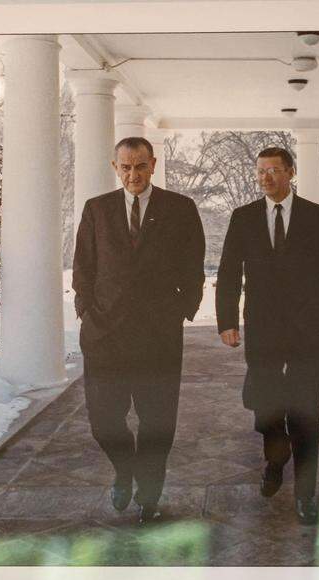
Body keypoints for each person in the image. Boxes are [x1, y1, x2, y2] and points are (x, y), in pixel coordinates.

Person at [72, 136, 206, 520]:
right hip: (105, 335)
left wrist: (181, 310)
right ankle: (124, 469)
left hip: (158, 337)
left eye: (141, 166)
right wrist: (87, 312)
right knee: (103, 421)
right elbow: (83, 267)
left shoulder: (180, 208)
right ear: (115, 167)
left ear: (153, 165)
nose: (134, 174)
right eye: (126, 167)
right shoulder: (96, 209)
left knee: (157, 421)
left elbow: (193, 266)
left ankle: (149, 495)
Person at [215, 146, 319, 525]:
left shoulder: (317, 217)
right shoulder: (243, 218)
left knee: (305, 411)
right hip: (263, 329)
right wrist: (227, 321)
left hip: (308, 329)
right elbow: (228, 273)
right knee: (268, 406)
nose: (266, 177)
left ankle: (305, 493)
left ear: (290, 172)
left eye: (274, 170)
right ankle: (276, 459)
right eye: (261, 171)